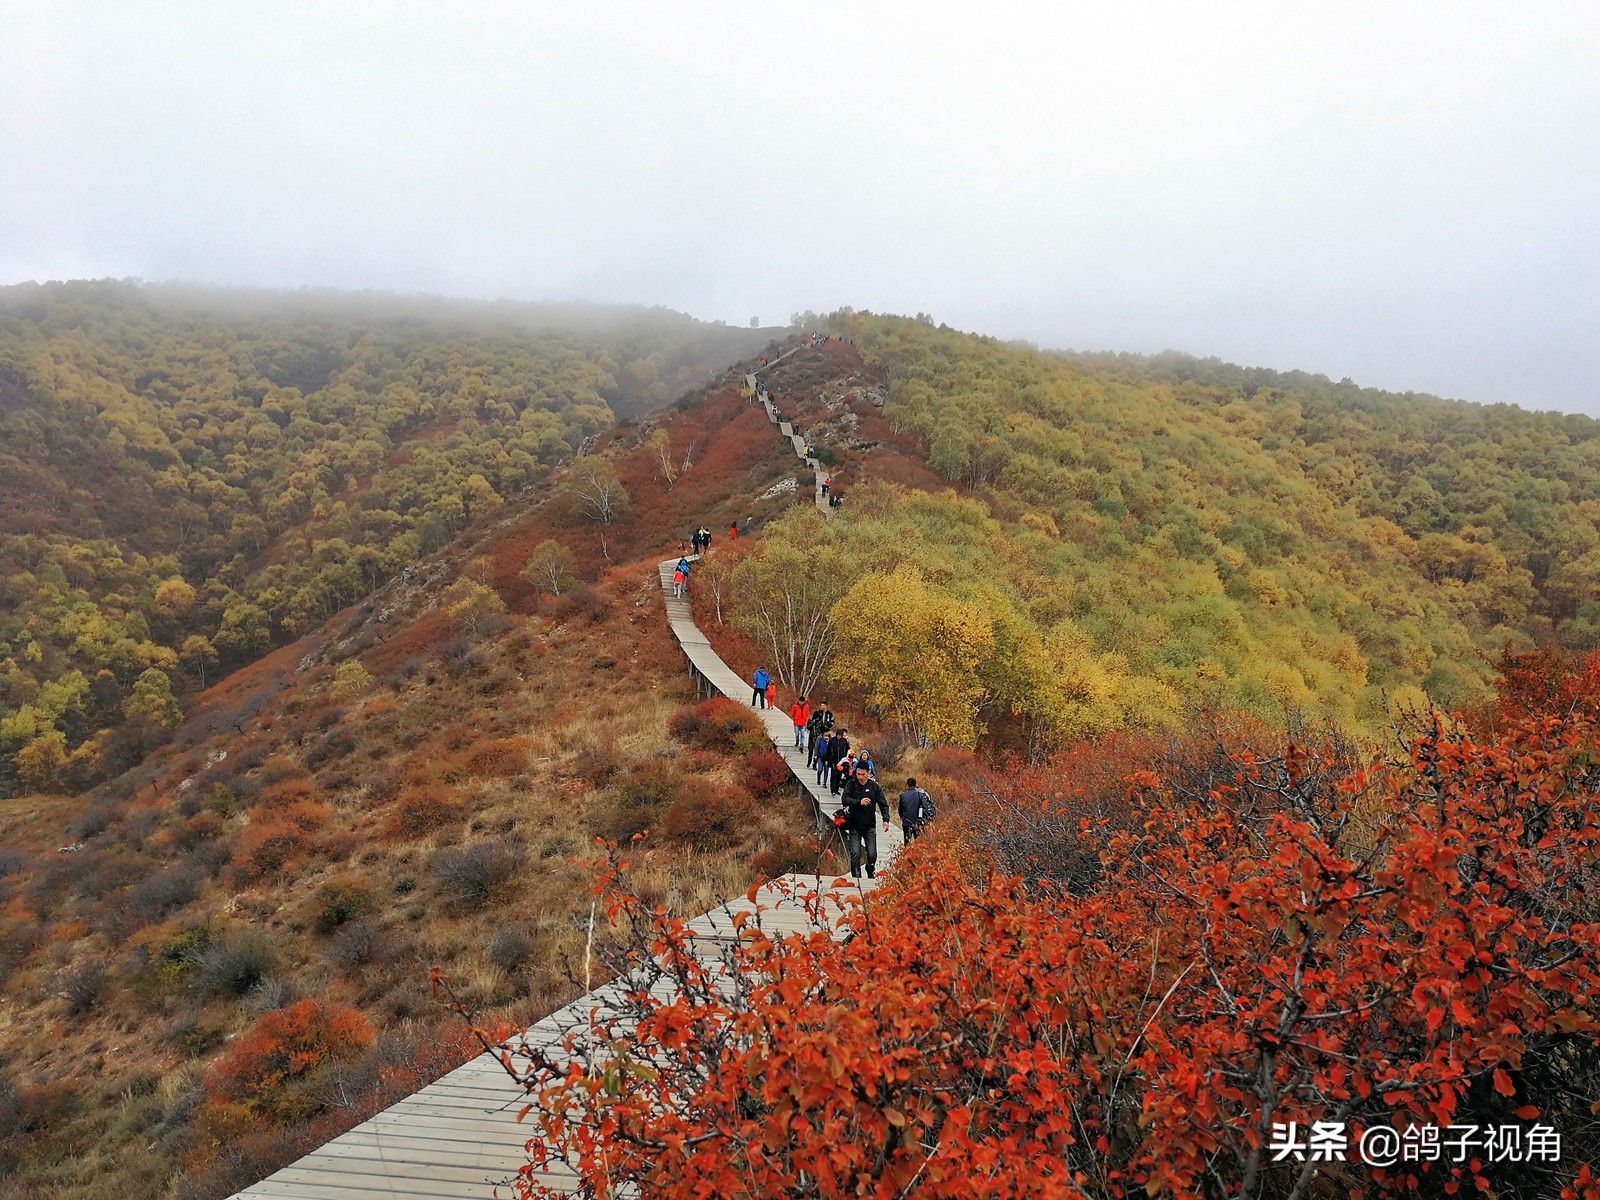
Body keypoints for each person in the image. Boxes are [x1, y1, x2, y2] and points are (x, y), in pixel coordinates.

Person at [838, 762, 890, 879]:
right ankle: (857, 879)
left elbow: (883, 804)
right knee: (855, 853)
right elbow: (844, 799)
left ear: (868, 773)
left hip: (869, 826)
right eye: (858, 774)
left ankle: (869, 868)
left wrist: (885, 820)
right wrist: (858, 802)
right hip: (854, 825)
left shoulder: (874, 787)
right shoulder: (851, 784)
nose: (860, 777)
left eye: (863, 774)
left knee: (872, 855)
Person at [827, 729, 852, 795]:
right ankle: (832, 790)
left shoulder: (844, 741)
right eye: (838, 735)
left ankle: (837, 789)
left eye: (840, 735)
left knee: (839, 775)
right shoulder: (832, 740)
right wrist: (827, 759)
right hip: (833, 760)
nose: (839, 737)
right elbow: (828, 750)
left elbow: (847, 750)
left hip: (841, 761)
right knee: (833, 775)